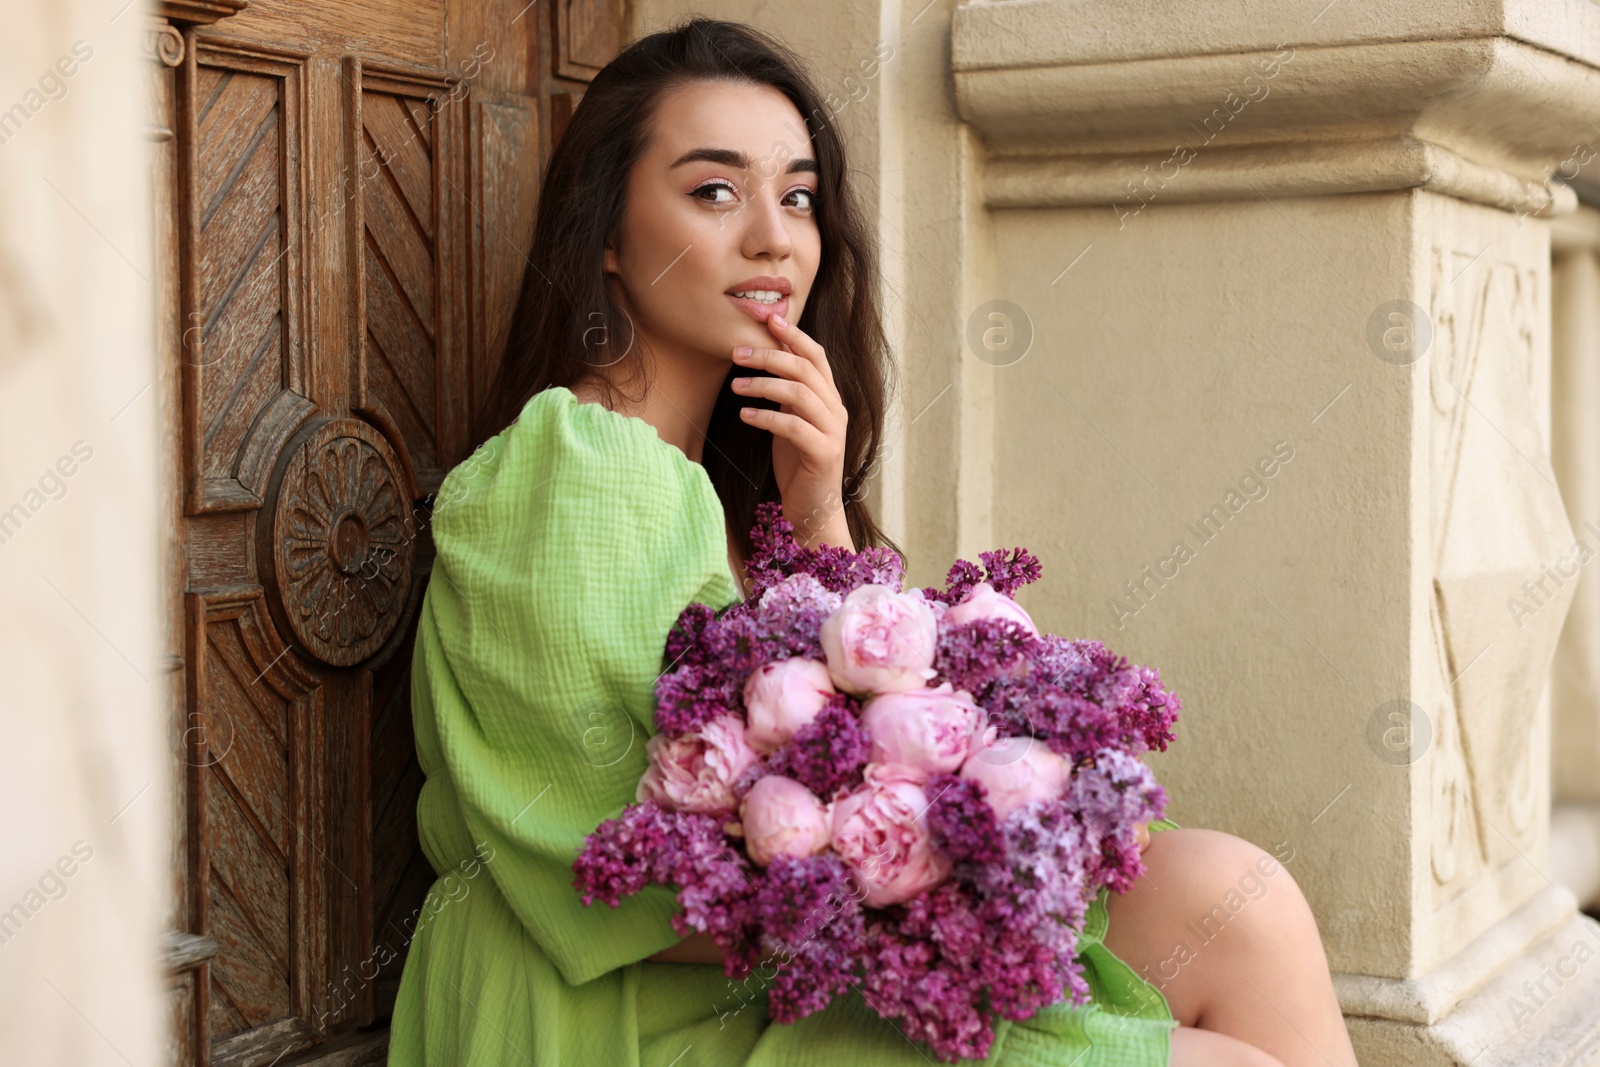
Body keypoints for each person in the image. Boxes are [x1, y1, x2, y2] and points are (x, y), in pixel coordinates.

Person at [385, 17, 1359, 1067]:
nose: (774, 238)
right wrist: (960, 877)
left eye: (797, 196)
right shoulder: (579, 467)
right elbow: (621, 867)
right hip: (632, 1005)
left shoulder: (709, 481)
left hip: (787, 957)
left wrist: (818, 516)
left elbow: (841, 743)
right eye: (714, 191)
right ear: (608, 237)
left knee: (1240, 903)